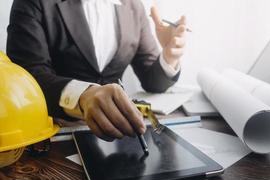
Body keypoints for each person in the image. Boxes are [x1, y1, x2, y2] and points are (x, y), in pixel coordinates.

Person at [7, 0, 187, 141]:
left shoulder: (134, 7)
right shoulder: (32, 2)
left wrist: (169, 56)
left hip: (122, 135)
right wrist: (82, 96)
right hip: (57, 136)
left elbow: (152, 81)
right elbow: (27, 78)